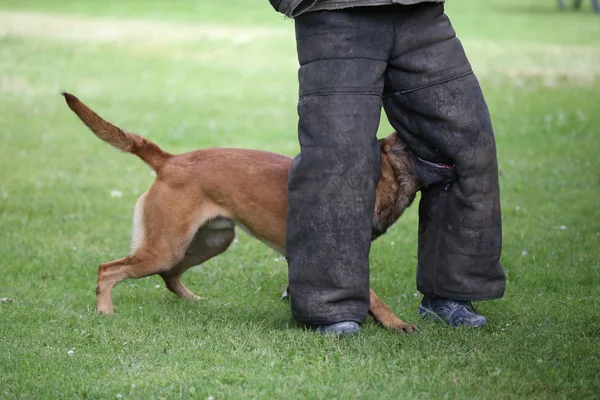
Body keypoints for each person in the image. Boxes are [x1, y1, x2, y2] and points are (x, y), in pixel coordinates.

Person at [268, 0, 506, 335]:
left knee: (467, 146)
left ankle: (450, 294)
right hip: (334, 13)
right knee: (336, 158)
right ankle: (330, 306)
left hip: (420, 13)